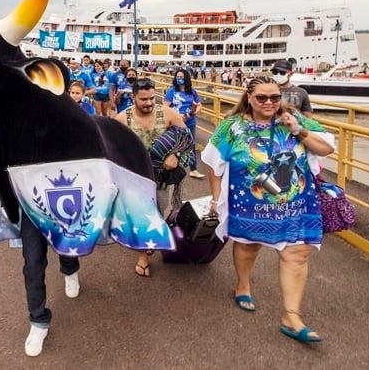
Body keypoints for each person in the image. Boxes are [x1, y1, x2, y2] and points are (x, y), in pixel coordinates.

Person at [202, 76, 334, 343]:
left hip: (296, 207)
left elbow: (327, 147)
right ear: (249, 98)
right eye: (262, 97)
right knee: (249, 245)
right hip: (250, 207)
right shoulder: (233, 126)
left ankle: (291, 316)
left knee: (297, 254)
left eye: (275, 97)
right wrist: (216, 198)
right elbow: (212, 161)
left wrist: (299, 131)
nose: (269, 103)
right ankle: (243, 284)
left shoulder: (293, 118)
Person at [116, 77, 186, 277]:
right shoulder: (122, 119)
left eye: (151, 99)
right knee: (140, 217)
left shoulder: (169, 114)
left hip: (161, 178)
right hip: (134, 179)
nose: (148, 103)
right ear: (133, 97)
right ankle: (143, 257)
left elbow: (185, 139)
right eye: (143, 99)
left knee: (159, 212)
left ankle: (152, 238)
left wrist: (176, 155)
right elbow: (112, 149)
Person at [163, 68, 205, 179]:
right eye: (177, 77)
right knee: (173, 145)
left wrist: (196, 110)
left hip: (190, 121)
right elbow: (165, 107)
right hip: (175, 122)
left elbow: (199, 104)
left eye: (181, 77)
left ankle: (193, 169)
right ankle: (169, 169)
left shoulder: (192, 91)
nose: (179, 79)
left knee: (191, 144)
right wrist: (175, 115)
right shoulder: (171, 91)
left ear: (186, 78)